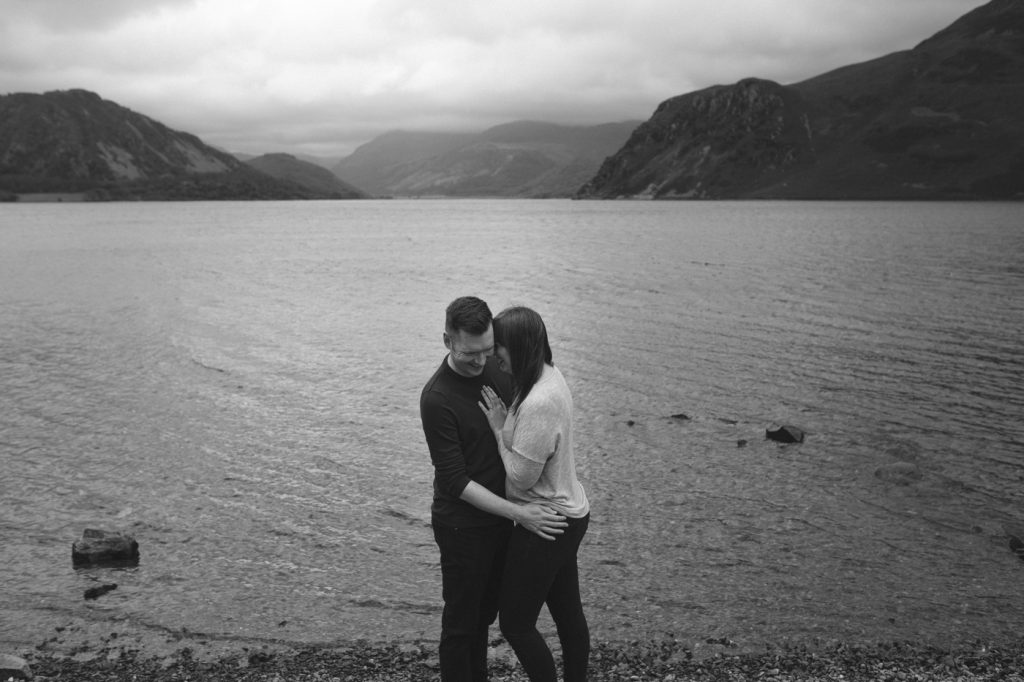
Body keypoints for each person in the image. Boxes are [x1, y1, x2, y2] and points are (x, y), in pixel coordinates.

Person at [421, 296, 567, 682]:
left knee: (485, 619)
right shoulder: (437, 398)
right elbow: (455, 480)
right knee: (461, 625)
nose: (481, 361)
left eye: (488, 350)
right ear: (447, 340)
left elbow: (531, 428)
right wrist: (519, 512)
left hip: (503, 522)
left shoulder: (500, 370)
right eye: (470, 353)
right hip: (463, 526)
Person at [478, 306, 591, 682]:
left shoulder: (541, 401)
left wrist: (497, 430)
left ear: (521, 347)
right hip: (569, 512)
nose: (495, 356)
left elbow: (520, 478)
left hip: (546, 519)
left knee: (516, 624)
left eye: (500, 349)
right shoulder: (548, 373)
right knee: (567, 612)